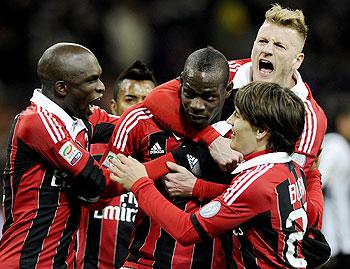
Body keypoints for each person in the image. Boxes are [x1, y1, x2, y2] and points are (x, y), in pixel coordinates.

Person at [142, 3, 327, 229]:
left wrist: (198, 187)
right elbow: (156, 98)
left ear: (297, 60)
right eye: (262, 41)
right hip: (193, 200)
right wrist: (211, 139)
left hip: (244, 232)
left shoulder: (309, 118)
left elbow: (280, 198)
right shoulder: (231, 72)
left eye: (279, 45)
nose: (267, 50)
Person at [109, 81, 313, 268]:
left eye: (239, 115)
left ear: (261, 131)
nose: (230, 122)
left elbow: (187, 230)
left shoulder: (257, 181)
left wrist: (140, 184)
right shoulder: (291, 170)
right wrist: (198, 186)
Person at [100, 47, 242, 268]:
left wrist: (197, 187)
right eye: (190, 93)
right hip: (145, 261)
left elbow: (254, 198)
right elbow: (103, 187)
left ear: (228, 90)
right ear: (181, 82)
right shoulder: (138, 119)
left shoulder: (243, 133)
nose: (197, 105)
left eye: (209, 97)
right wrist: (150, 173)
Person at [0, 42, 125, 268]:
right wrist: (152, 170)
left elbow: (131, 128)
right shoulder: (37, 122)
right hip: (27, 262)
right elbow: (97, 183)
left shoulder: (77, 120)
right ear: (62, 88)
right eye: (90, 80)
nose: (101, 88)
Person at [77, 60, 157, 269]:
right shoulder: (87, 153)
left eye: (147, 101)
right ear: (113, 107)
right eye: (130, 100)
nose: (140, 108)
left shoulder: (165, 161)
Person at [319, 103, 350, 268]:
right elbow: (318, 181)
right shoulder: (335, 144)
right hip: (330, 237)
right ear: (342, 121)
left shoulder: (343, 146)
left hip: (340, 236)